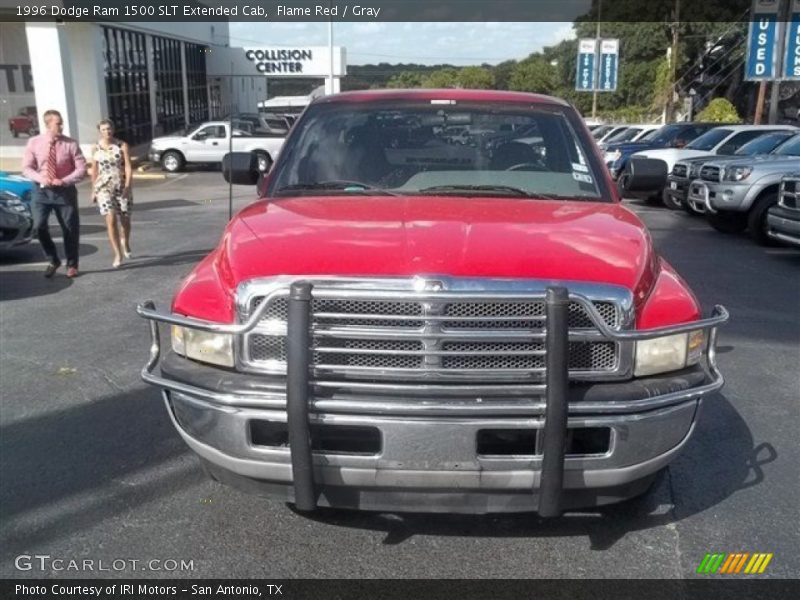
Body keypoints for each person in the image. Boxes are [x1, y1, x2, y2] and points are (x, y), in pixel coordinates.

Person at [22, 109, 87, 278]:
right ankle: (53, 259)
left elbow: (81, 169)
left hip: (64, 192)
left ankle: (72, 264)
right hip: (41, 192)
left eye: (61, 122)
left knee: (70, 229)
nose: (61, 126)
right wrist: (40, 177)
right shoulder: (34, 142)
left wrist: (64, 180)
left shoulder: (71, 144)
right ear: (48, 124)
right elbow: (27, 168)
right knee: (38, 226)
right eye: (58, 123)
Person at [90, 119, 133, 268]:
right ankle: (118, 253)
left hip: (121, 186)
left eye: (109, 129)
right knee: (111, 219)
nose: (107, 132)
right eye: (103, 130)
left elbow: (128, 167)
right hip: (104, 187)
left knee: (125, 221)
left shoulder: (122, 146)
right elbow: (94, 170)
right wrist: (93, 190)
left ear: (113, 129)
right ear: (100, 131)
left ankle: (125, 242)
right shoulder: (95, 147)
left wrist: (128, 186)